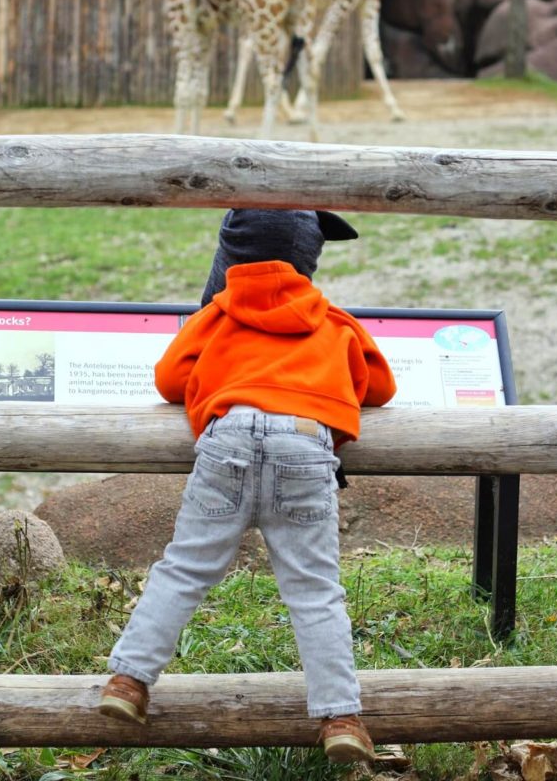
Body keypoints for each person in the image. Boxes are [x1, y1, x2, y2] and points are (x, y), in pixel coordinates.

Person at [99, 208, 397, 765]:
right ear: (309, 259)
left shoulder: (217, 315)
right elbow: (380, 387)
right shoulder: (334, 320)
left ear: (232, 254)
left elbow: (168, 379)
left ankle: (128, 682)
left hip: (228, 437)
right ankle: (341, 717)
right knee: (314, 588)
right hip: (306, 446)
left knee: (185, 568)